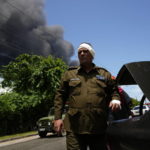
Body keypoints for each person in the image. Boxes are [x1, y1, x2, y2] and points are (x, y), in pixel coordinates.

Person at [54, 42, 121, 150]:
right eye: (79, 52)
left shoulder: (104, 74)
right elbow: (60, 96)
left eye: (85, 51)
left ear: (92, 54)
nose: (82, 54)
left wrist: (116, 99)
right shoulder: (69, 74)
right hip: (74, 127)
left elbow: (114, 91)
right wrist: (57, 118)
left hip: (98, 126)